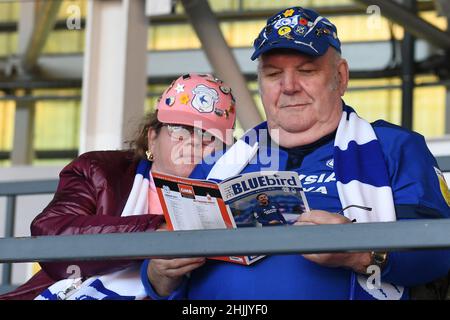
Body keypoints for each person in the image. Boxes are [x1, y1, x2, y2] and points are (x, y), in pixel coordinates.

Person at [141, 6, 450, 300]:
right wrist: (159, 273)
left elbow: (438, 251)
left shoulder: (393, 146)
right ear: (260, 82)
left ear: (340, 78)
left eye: (306, 71)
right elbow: (160, 272)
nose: (288, 87)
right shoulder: (219, 162)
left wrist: (360, 252)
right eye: (274, 74)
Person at [0, 73, 236, 300]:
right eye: (180, 130)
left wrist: (160, 280)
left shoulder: (233, 198)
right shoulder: (100, 171)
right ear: (152, 137)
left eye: (209, 137)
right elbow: (51, 233)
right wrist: (155, 233)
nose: (194, 143)